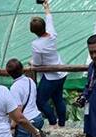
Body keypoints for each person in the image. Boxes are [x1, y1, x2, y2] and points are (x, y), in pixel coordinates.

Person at [30, 0, 68, 128]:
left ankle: (52, 121)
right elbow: (50, 19)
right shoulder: (52, 35)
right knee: (58, 99)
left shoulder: (36, 44)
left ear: (33, 31)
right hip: (61, 73)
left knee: (40, 101)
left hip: (51, 76)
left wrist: (31, 62)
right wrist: (46, 7)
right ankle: (62, 123)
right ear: (44, 27)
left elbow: (37, 63)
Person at [7, 58, 44, 137]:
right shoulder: (30, 81)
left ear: (8, 73)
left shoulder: (15, 87)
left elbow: (18, 109)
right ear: (22, 69)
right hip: (37, 117)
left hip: (27, 122)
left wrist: (12, 126)